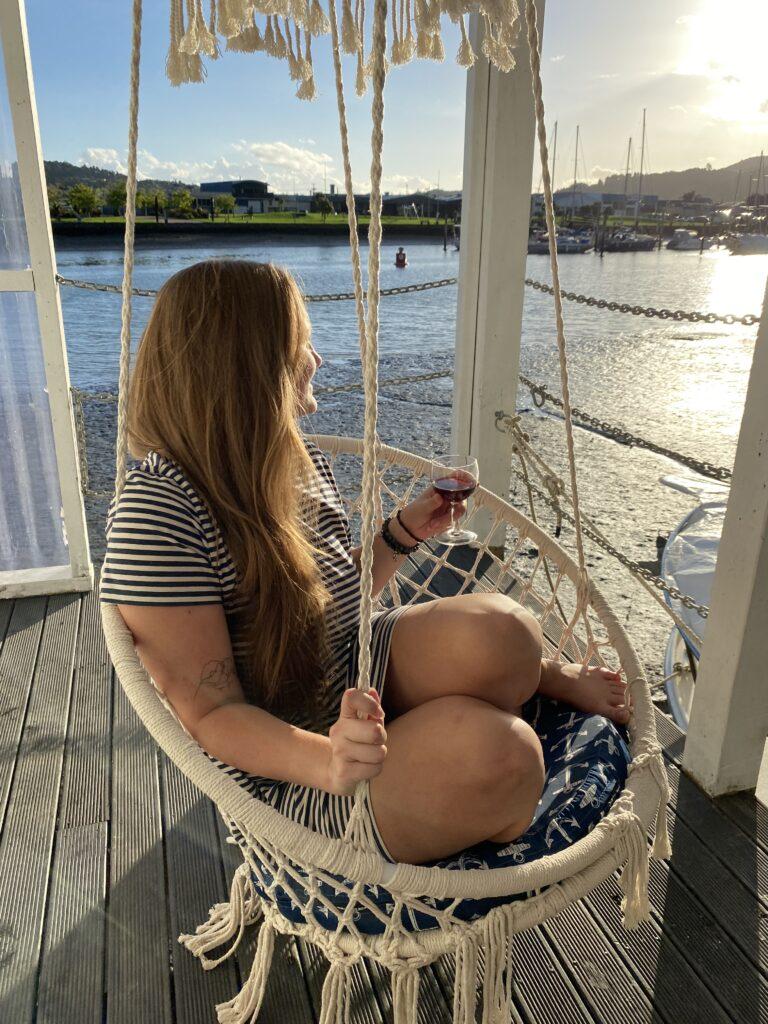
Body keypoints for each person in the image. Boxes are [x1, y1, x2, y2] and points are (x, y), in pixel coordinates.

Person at [100, 260, 629, 866]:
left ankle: (540, 681)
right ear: (250, 368)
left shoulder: (291, 460)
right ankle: (471, 778)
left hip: (353, 668)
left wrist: (401, 535)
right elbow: (213, 714)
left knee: (507, 632)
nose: (316, 360)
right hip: (293, 766)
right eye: (299, 344)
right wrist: (327, 758)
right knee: (503, 755)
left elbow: (329, 603)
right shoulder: (156, 511)